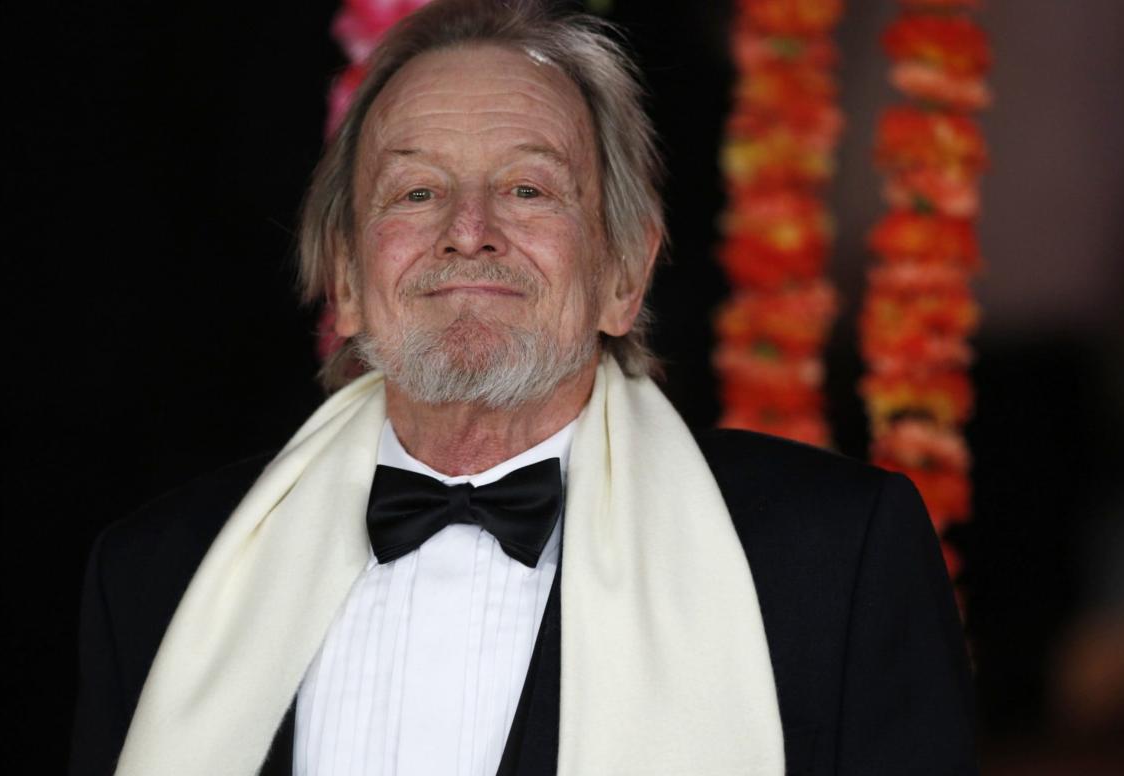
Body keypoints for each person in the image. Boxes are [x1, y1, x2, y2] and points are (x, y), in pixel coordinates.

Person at [69, 0, 976, 774]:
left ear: (625, 272)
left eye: (530, 190)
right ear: (344, 277)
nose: (470, 230)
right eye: (416, 192)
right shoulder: (159, 577)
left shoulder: (834, 561)